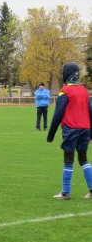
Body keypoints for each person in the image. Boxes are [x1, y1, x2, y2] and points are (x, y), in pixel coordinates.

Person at [47, 62, 92, 200]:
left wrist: (51, 134)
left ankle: (66, 192)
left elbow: (58, 114)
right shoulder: (84, 91)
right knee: (83, 159)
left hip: (71, 130)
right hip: (85, 129)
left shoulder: (65, 91)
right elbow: (91, 112)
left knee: (68, 159)